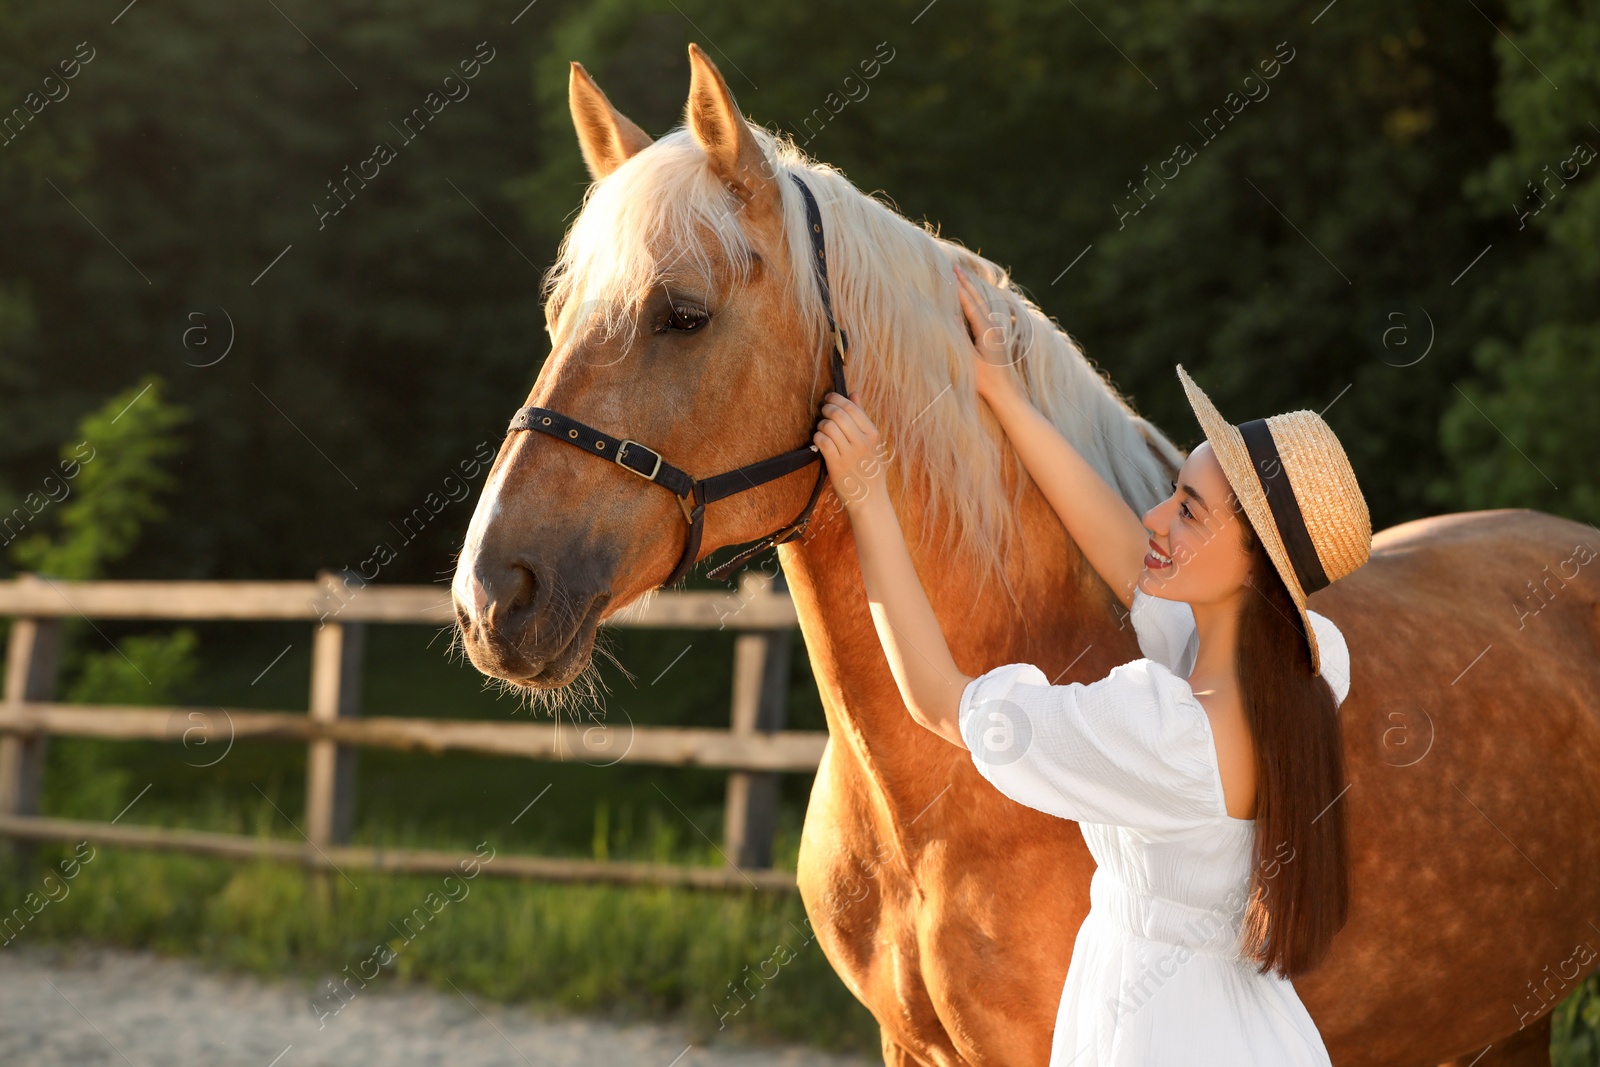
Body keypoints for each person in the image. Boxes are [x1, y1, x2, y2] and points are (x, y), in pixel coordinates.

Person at [810, 262, 1372, 1065]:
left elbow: (939, 699)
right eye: (1174, 492)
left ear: (1253, 566)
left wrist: (868, 496)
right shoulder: (1294, 670)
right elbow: (1125, 551)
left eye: (1187, 510)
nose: (1155, 516)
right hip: (1245, 1027)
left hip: (1154, 1032)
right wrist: (1006, 396)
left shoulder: (1166, 726)